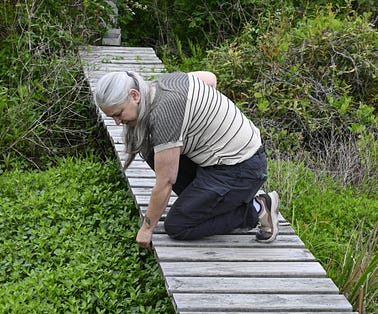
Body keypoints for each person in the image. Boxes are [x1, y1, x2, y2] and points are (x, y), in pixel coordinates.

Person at [94, 70, 280, 250]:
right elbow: (209, 78)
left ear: (134, 95)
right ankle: (224, 199)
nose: (118, 122)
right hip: (223, 162)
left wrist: (146, 229)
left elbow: (166, 181)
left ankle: (258, 208)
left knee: (178, 225)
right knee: (152, 150)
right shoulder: (161, 85)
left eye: (118, 114)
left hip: (241, 168)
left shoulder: (164, 114)